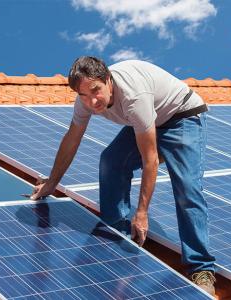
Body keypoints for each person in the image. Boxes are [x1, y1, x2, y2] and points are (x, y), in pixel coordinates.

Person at [30, 56, 216, 295]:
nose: (92, 101)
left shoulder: (133, 97)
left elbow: (150, 160)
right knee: (111, 161)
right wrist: (51, 183)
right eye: (84, 95)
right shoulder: (85, 101)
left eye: (96, 90)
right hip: (149, 120)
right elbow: (72, 138)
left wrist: (141, 213)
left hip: (182, 117)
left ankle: (201, 268)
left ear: (108, 80)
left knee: (187, 189)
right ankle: (117, 235)